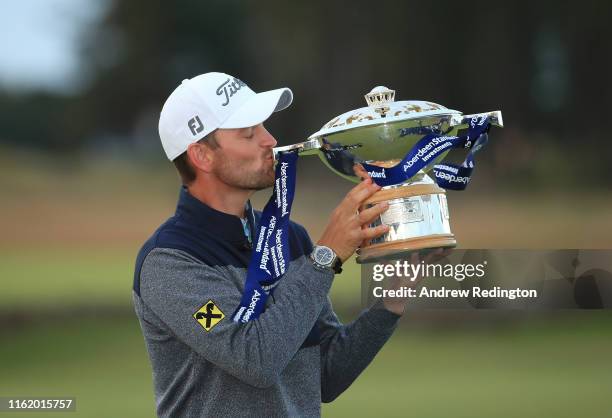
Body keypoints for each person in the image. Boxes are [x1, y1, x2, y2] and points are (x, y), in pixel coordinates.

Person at [132, 72, 410, 418]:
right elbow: (255, 360)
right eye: (249, 133)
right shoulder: (169, 261)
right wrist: (324, 257)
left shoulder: (290, 237)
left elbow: (326, 377)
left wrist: (394, 299)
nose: (271, 140)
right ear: (202, 156)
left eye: (263, 127)